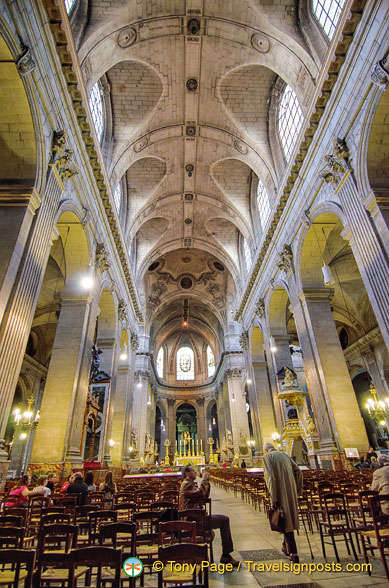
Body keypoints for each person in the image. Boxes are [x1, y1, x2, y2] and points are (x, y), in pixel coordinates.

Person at [179, 465, 239, 566]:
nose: (195, 472)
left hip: (196, 518)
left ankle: (226, 555)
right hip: (194, 521)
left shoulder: (190, 484)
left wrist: (207, 482)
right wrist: (205, 480)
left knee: (223, 519)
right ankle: (226, 555)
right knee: (224, 520)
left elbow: (203, 495)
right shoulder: (186, 485)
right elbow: (201, 493)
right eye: (193, 470)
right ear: (187, 473)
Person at [263, 443, 303, 564]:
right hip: (290, 493)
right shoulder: (285, 454)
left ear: (265, 450)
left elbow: (269, 477)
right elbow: (299, 471)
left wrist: (273, 496)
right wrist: (297, 489)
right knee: (287, 519)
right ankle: (285, 547)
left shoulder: (267, 457)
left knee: (285, 521)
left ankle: (294, 553)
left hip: (279, 493)